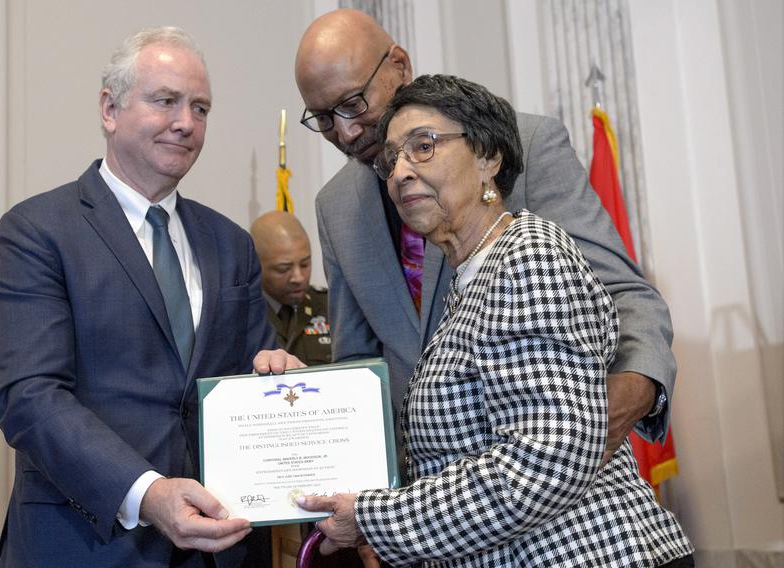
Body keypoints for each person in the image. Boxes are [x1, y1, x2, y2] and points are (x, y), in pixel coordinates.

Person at [297, 73, 694, 567]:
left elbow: (544, 463)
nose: (399, 172)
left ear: (488, 157)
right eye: (391, 158)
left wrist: (375, 518)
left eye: (423, 147)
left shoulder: (527, 255)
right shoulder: (470, 284)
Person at [294, 9, 676, 464]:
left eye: (353, 103)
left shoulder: (526, 144)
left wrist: (628, 395)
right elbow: (358, 366)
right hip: (427, 497)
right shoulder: (334, 206)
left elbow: (623, 293)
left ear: (399, 64)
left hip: (547, 475)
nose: (346, 131)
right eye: (322, 118)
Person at [0, 27, 301, 568]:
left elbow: (248, 379)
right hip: (86, 543)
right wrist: (148, 493)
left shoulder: (232, 245)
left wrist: (277, 380)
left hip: (220, 548)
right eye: (166, 101)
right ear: (110, 109)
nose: (186, 122)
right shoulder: (38, 231)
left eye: (200, 108)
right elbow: (29, 397)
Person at [250, 211, 332, 366]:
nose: (298, 277)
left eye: (305, 264)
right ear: (256, 265)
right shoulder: (245, 315)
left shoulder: (330, 306)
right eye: (283, 269)